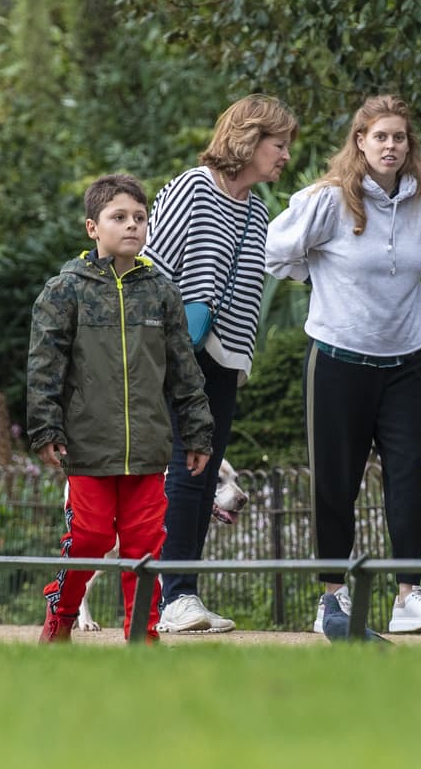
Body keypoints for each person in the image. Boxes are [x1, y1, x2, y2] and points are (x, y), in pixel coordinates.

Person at [266, 94, 421, 635]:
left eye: (399, 137)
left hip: (406, 361)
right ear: (360, 142)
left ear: (408, 144)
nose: (391, 146)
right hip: (338, 360)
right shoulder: (328, 200)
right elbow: (277, 252)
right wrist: (320, 280)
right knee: (336, 481)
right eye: (380, 137)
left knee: (407, 476)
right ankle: (332, 597)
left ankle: (409, 594)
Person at [27, 174, 214, 643]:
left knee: (144, 546)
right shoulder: (65, 289)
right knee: (89, 540)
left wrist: (197, 431)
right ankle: (61, 616)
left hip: (149, 447)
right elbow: (44, 363)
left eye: (139, 217)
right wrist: (45, 427)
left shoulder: (161, 292)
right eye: (119, 217)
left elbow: (184, 371)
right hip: (87, 446)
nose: (132, 225)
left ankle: (142, 634)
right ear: (92, 227)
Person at [144, 94, 298, 633]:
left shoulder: (257, 209)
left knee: (201, 473)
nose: (284, 157)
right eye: (279, 145)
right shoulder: (193, 187)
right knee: (181, 470)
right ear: (249, 140)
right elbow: (151, 269)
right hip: (173, 354)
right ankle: (172, 597)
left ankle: (181, 594)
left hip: (223, 359)